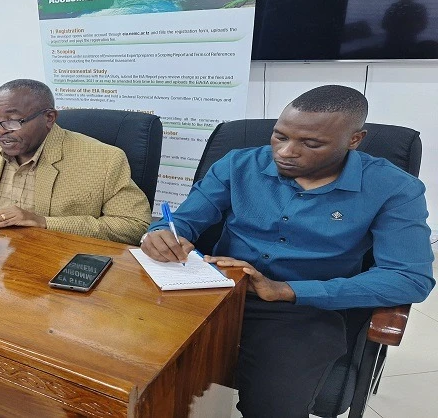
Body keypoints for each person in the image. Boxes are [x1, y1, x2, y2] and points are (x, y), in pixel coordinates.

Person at [140, 85, 434, 417]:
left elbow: (410, 278)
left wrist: (286, 290)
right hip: (215, 289)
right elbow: (183, 221)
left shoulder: (392, 188)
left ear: (354, 140)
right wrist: (162, 233)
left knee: (273, 405)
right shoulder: (239, 164)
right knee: (131, 367)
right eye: (279, 137)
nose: (286, 152)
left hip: (302, 309)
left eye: (311, 144)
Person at [0, 79, 151, 245]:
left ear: (49, 118)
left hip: (56, 262)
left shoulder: (105, 159)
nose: (0, 132)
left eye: (12, 121)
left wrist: (44, 222)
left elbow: (132, 225)